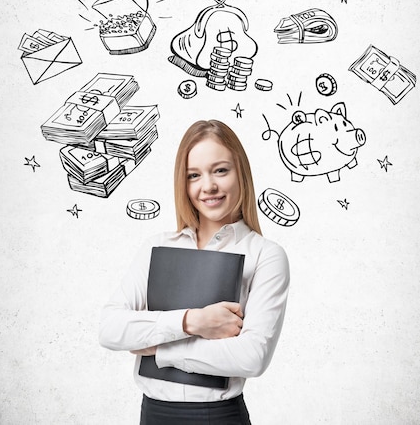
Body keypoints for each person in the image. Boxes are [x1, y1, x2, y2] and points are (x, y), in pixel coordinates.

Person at [99, 120, 290, 425]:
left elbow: (252, 357)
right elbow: (110, 329)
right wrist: (192, 322)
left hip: (218, 417)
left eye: (221, 170)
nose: (208, 186)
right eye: (194, 175)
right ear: (183, 183)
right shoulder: (156, 247)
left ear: (240, 173)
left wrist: (159, 348)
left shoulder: (265, 255)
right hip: (153, 415)